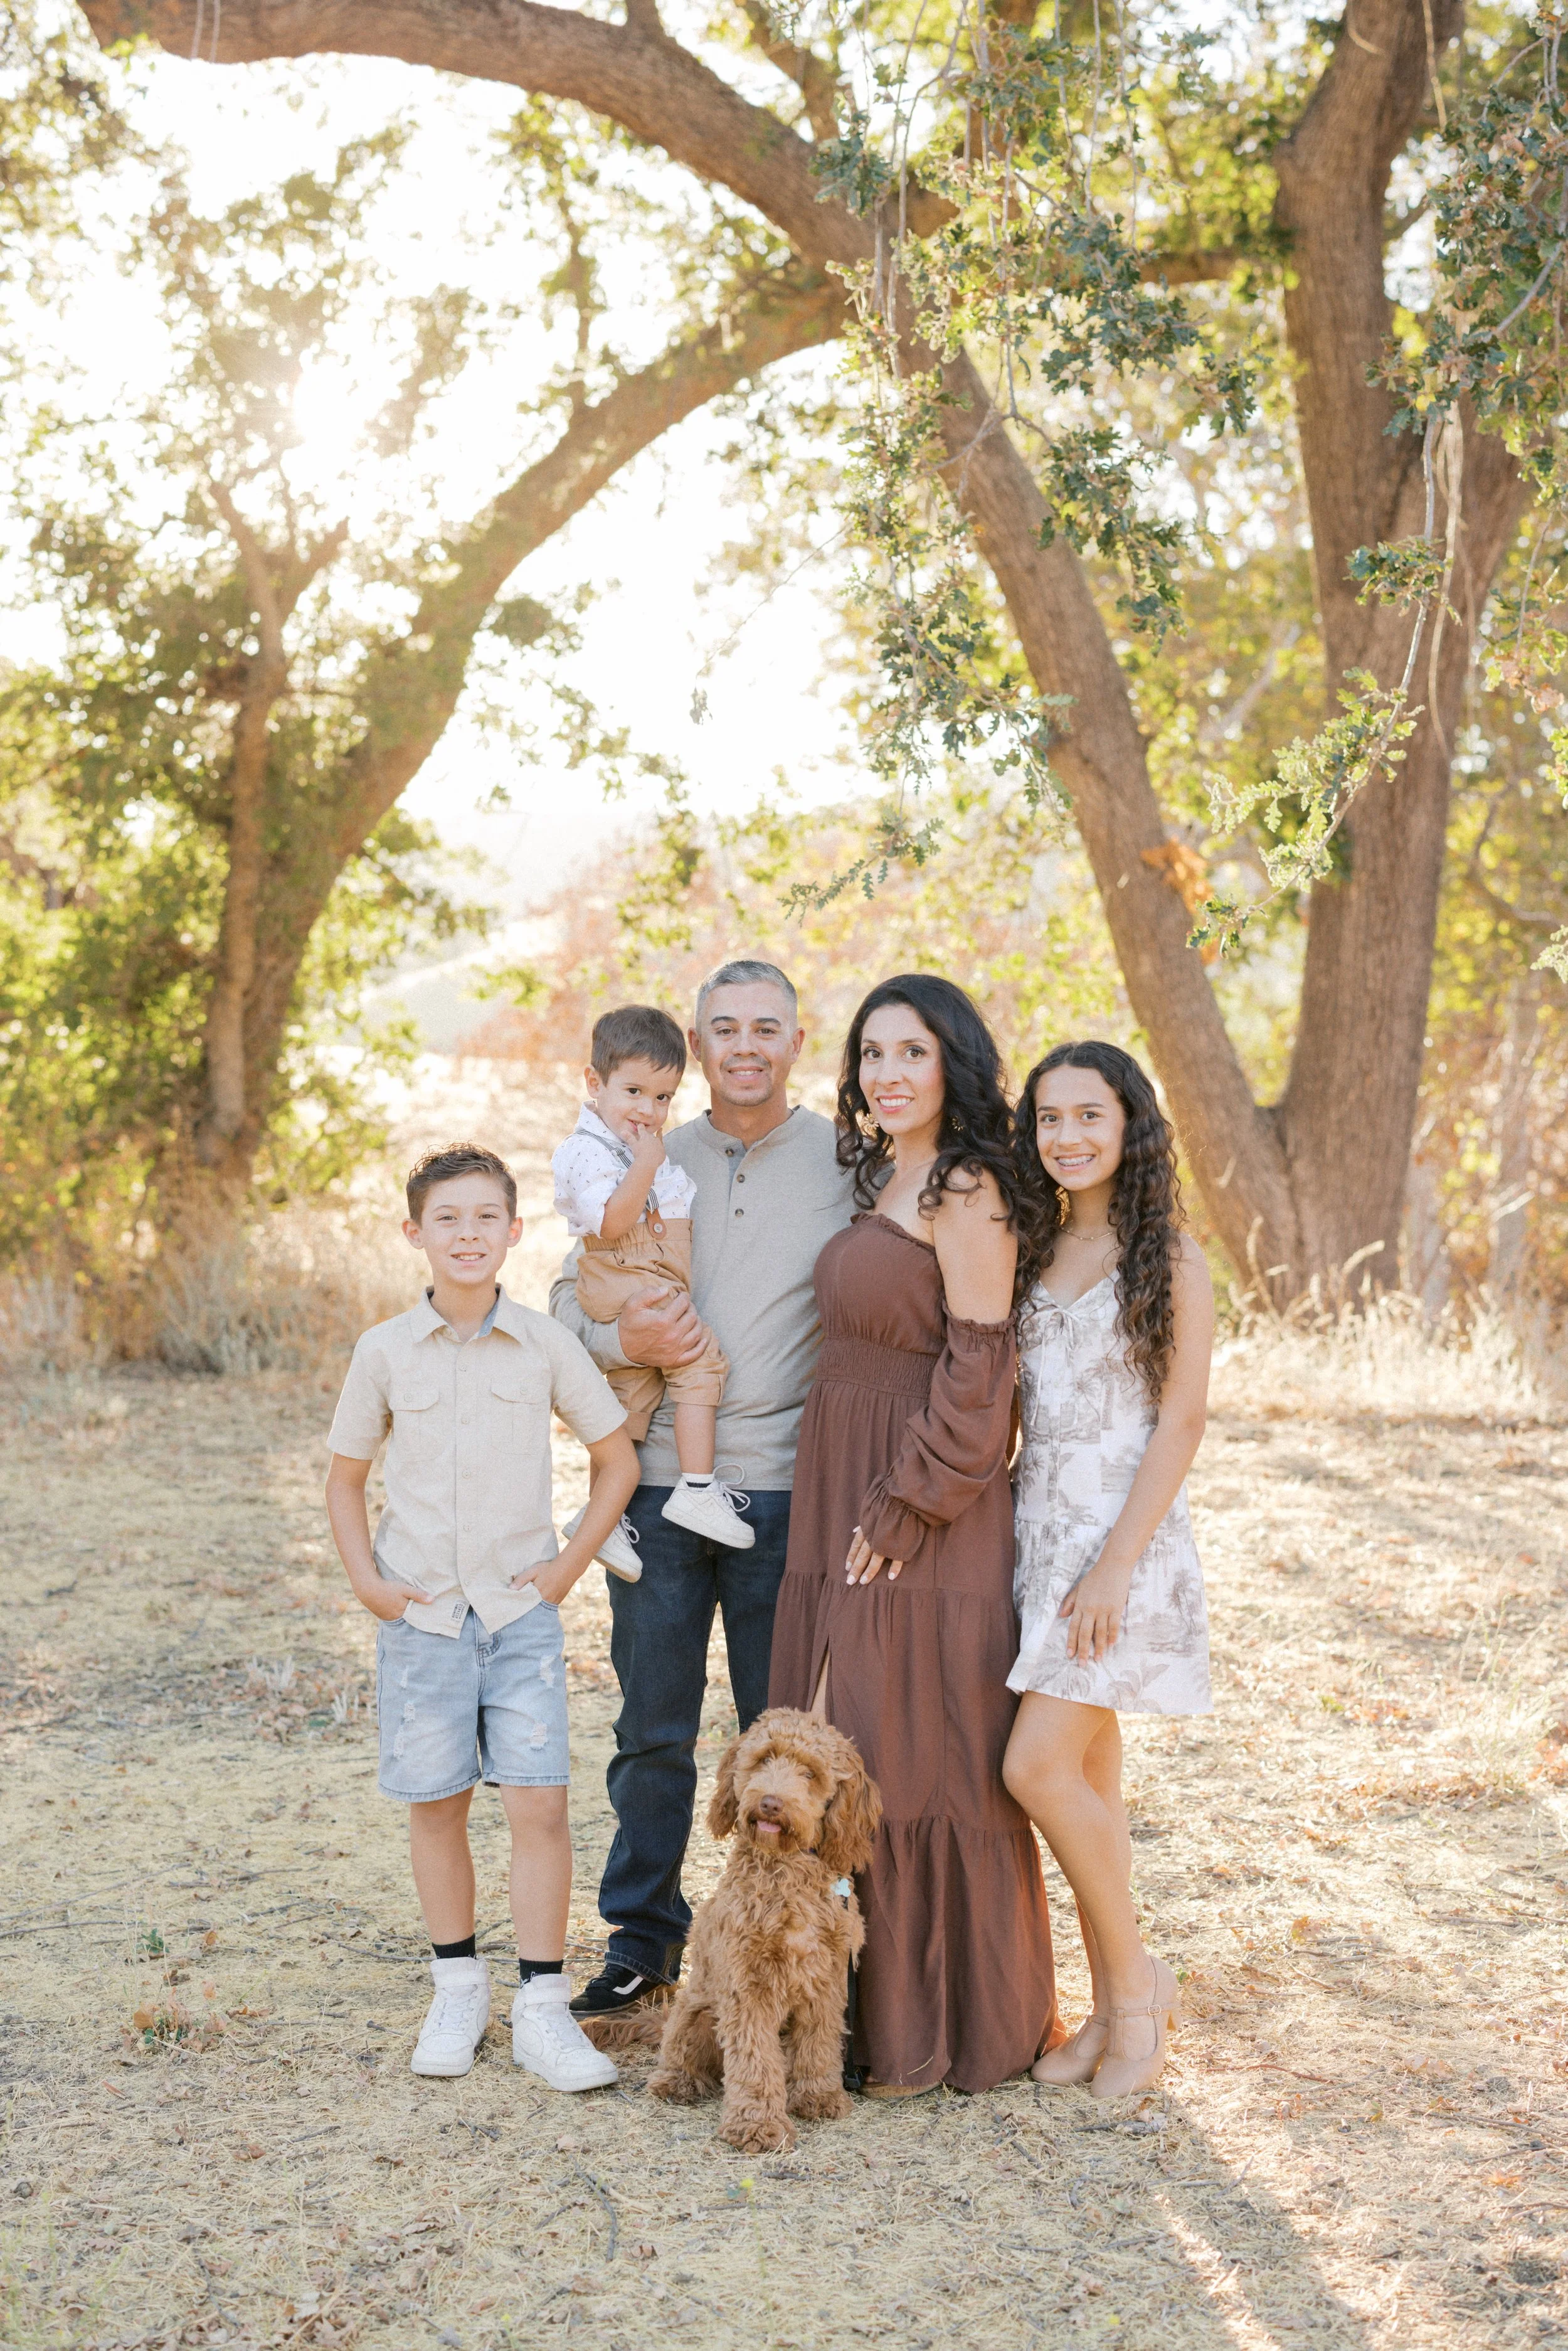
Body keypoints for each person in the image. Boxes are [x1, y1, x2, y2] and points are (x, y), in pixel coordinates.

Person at [549, 960, 857, 2020]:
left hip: (784, 1492)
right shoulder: (645, 1147)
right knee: (654, 1731)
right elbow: (564, 1291)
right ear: (696, 1042)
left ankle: (789, 1948)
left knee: (780, 1738)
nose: (745, 1045)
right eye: (724, 1027)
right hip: (660, 1495)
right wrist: (616, 1333)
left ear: (796, 1039)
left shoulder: (842, 1157)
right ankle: (643, 1943)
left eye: (767, 1025)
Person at [767, 974, 1057, 2095]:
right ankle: (834, 2016)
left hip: (921, 1501)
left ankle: (939, 2021)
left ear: (956, 1063)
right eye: (871, 1053)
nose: (888, 1072)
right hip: (842, 1472)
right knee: (848, 1736)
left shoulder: (969, 1185)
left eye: (912, 1051)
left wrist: (904, 1502)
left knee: (917, 1748)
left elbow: (983, 1373)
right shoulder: (882, 1170)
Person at [324, 1143, 640, 2089]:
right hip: (420, 1616)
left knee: (541, 1802)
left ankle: (543, 2005)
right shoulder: (382, 1350)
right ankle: (457, 1985)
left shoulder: (546, 1342)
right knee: (438, 1803)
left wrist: (565, 1569)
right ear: (416, 1232)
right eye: (448, 1219)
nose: (469, 1234)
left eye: (486, 1218)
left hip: (520, 1618)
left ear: (513, 1230)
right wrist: (367, 1585)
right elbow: (345, 1480)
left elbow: (615, 1461)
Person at [1002, 1041, 1213, 2102]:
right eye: (1049, 1117)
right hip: (1038, 1540)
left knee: (1034, 1768)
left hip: (1119, 1552)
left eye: (1090, 1113)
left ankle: (1138, 1989)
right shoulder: (1030, 1246)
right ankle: (1104, 2001)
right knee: (1088, 1784)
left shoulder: (1165, 1254)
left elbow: (1181, 1422)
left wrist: (1114, 1567)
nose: (1069, 1135)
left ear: (1130, 1123)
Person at [551, 1002, 751, 1581]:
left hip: (642, 1270)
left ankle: (602, 1516)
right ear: (595, 1083)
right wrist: (649, 1160)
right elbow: (613, 1224)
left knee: (626, 1403)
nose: (649, 1111)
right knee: (700, 1363)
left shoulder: (633, 1144)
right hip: (628, 1271)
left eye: (663, 1098)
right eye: (634, 1092)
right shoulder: (592, 1150)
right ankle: (696, 1487)